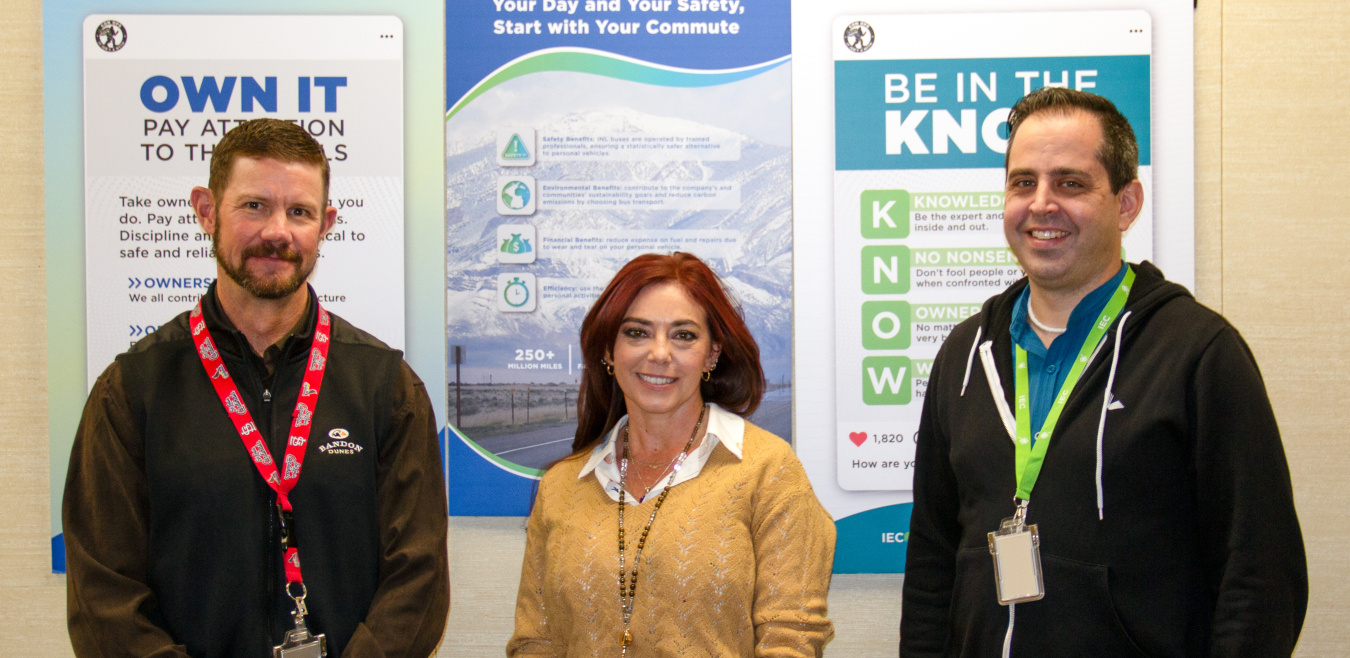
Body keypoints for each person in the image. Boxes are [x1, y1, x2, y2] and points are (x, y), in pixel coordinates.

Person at [901, 88, 1307, 656]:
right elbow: (932, 561)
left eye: (1070, 183)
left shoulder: (1199, 353)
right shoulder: (965, 355)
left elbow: (1260, 577)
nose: (1042, 204)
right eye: (1023, 183)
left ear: (1126, 203)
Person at [63, 118, 449, 657]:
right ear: (206, 211)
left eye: (300, 212)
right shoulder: (132, 390)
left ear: (326, 224)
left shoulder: (386, 386)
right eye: (254, 206)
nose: (277, 231)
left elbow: (419, 578)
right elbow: (103, 596)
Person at [508, 252, 835, 657]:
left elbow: (792, 637)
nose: (660, 353)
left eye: (683, 335)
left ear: (712, 355)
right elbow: (534, 641)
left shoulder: (769, 471)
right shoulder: (561, 486)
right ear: (608, 351)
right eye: (637, 333)